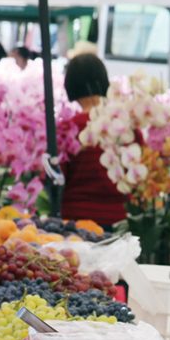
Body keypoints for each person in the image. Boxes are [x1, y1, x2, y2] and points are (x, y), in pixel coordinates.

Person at [60, 53, 130, 227]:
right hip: (119, 219)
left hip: (75, 221)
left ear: (70, 85)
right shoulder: (125, 124)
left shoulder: (68, 128)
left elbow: (57, 177)